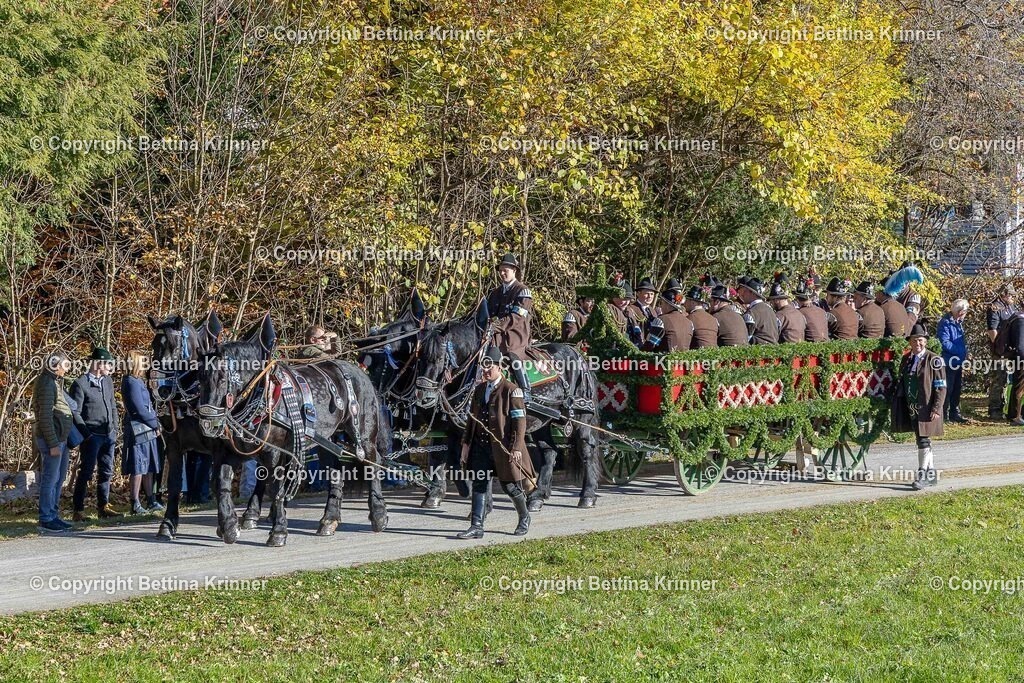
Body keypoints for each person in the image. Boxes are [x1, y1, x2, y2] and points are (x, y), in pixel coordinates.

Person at [457, 345, 537, 540]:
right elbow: (472, 419)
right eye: (483, 367)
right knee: (479, 484)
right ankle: (476, 526)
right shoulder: (479, 389)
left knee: (510, 487)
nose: (485, 371)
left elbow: (520, 422)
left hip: (504, 448)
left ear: (499, 367)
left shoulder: (512, 391)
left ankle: (524, 517)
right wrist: (466, 445)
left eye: (489, 367)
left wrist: (516, 447)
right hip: (481, 447)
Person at [891, 324, 946, 489]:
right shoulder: (907, 359)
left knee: (923, 440)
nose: (917, 344)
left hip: (927, 407)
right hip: (911, 406)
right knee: (922, 439)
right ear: (910, 342)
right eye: (914, 341)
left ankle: (922, 474)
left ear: (926, 342)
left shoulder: (934, 359)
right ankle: (931, 474)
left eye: (920, 340)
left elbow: (941, 386)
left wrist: (936, 408)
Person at [69, 347, 121, 521]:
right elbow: (75, 411)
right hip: (91, 435)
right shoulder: (80, 383)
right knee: (86, 472)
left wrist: (115, 425)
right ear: (98, 364)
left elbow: (112, 404)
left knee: (106, 471)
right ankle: (78, 510)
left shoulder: (107, 381)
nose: (110, 367)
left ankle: (103, 506)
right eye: (108, 364)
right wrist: (86, 433)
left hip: (108, 434)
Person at [33, 353, 75, 533]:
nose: (67, 368)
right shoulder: (46, 383)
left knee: (58, 479)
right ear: (54, 365)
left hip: (60, 438)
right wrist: (52, 444)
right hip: (53, 439)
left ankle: (53, 514)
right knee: (50, 479)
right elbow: (45, 416)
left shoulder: (54, 381)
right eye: (64, 365)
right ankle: (46, 518)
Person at [485, 253, 534, 399]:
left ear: (514, 270)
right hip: (495, 337)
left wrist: (494, 326)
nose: (502, 273)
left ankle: (525, 390)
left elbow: (516, 317)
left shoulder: (523, 291)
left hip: (515, 335)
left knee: (513, 355)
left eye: (506, 270)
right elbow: (487, 315)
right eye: (501, 270)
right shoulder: (494, 293)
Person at [121, 350, 164, 514]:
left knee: (149, 466)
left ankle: (151, 500)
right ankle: (135, 502)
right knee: (138, 466)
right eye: (143, 362)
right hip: (138, 428)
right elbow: (138, 408)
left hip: (147, 427)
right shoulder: (130, 381)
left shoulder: (138, 381)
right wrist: (155, 424)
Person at [936, 299, 969, 423]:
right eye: (965, 311)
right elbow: (944, 342)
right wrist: (960, 351)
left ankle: (954, 413)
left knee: (956, 388)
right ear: (960, 312)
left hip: (958, 362)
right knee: (947, 388)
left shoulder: (958, 323)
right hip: (948, 361)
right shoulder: (945, 323)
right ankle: (943, 414)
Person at [987, 283, 1017, 418]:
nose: (1013, 298)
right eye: (1011, 295)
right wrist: (998, 348)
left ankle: (1003, 405)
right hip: (1000, 351)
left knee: (1006, 379)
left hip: (1010, 349)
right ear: (1005, 294)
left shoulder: (1010, 307)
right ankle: (994, 409)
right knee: (999, 379)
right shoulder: (994, 307)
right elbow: (992, 330)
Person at [645, 284, 693, 352]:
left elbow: (649, 346)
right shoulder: (689, 323)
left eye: (662, 303)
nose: (661, 306)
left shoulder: (661, 320)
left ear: (667, 305)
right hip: (683, 361)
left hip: (662, 361)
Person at [736, 276, 780, 344]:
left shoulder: (751, 313)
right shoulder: (771, 310)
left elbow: (745, 339)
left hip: (759, 351)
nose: (743, 294)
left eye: (745, 291)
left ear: (752, 293)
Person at [768, 278, 805, 343]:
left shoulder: (779, 315)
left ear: (776, 300)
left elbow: (772, 337)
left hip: (786, 350)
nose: (771, 304)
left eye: (772, 301)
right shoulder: (799, 313)